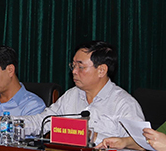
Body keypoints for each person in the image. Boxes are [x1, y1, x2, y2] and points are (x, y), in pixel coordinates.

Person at [15, 41, 144, 142]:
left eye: (81, 67)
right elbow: (42, 122)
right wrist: (11, 123)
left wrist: (92, 137)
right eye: (73, 65)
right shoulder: (72, 95)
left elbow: (139, 145)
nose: (74, 71)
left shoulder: (124, 104)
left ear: (101, 70)